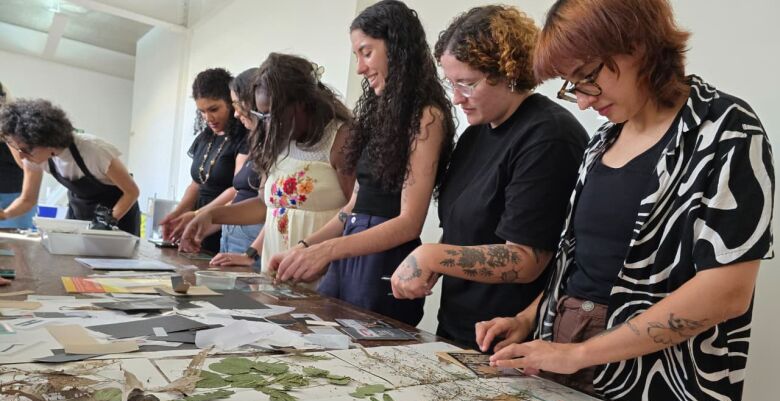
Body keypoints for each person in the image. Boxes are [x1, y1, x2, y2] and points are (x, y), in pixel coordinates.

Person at [480, 0, 774, 401]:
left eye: (587, 78)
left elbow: (726, 292)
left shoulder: (726, 130)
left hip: (663, 385)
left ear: (635, 45)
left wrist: (581, 355)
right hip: (564, 362)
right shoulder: (603, 140)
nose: (582, 100)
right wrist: (528, 317)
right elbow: (583, 262)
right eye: (571, 86)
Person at [389, 6, 588, 349]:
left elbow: (525, 260)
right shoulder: (475, 135)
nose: (455, 98)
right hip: (457, 328)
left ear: (508, 72)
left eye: (467, 83)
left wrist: (431, 256)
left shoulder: (548, 136)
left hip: (512, 338)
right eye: (451, 83)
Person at [269, 0, 456, 326]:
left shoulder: (426, 117)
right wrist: (303, 247)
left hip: (382, 262)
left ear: (397, 48)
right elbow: (352, 208)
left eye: (366, 52)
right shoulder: (377, 115)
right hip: (350, 254)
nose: (359, 68)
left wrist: (327, 252)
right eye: (357, 55)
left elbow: (409, 223)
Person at [180, 53, 354, 274]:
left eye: (273, 114)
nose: (267, 124)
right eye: (262, 115)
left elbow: (355, 211)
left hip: (321, 272)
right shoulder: (276, 140)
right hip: (275, 270)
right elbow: (265, 206)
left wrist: (310, 248)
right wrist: (210, 215)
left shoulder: (340, 138)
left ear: (302, 103)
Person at [0, 99, 140, 234]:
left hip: (118, 214)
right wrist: (5, 214)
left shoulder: (93, 150)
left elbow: (132, 192)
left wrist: (107, 222)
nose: (22, 156)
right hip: (79, 213)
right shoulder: (34, 156)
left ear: (48, 142)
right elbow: (28, 199)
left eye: (25, 150)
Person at [170, 68, 264, 260]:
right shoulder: (205, 138)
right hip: (217, 221)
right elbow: (196, 183)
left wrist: (202, 214)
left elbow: (240, 191)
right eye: (202, 111)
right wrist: (180, 213)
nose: (207, 117)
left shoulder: (245, 138)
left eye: (213, 109)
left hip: (229, 220)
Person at [0, 82, 35, 230]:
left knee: (13, 248)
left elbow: (25, 163)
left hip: (15, 198)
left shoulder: (17, 123)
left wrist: (5, 129)